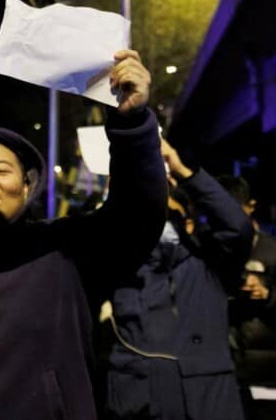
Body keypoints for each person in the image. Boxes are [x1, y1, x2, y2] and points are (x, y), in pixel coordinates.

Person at [0, 50, 167, 420]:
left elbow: (138, 213)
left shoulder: (65, 250)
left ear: (26, 186)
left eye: (2, 170)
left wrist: (131, 124)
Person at [103, 140, 252, 420]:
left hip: (208, 403)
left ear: (189, 222)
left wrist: (183, 170)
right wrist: (116, 196)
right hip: (137, 403)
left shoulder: (208, 263)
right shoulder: (116, 263)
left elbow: (238, 228)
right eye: (148, 212)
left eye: (169, 214)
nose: (160, 222)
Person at [220, 176, 276, 420]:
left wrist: (268, 295)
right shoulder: (215, 250)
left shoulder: (274, 250)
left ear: (251, 206)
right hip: (227, 369)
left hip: (269, 371)